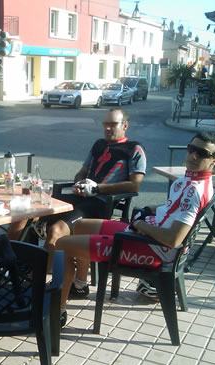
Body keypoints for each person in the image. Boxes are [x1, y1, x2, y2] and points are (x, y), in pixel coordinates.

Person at [56, 131, 215, 326]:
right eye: (191, 149)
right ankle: (80, 284)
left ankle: (57, 311)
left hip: (153, 249)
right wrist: (145, 210)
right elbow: (168, 209)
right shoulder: (189, 180)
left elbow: (173, 239)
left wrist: (139, 223)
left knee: (62, 244)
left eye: (202, 153)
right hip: (146, 236)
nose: (193, 156)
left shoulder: (194, 191)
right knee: (81, 226)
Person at [8, 108, 146, 298]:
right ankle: (12, 266)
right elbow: (82, 171)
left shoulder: (134, 149)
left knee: (55, 231)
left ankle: (36, 279)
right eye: (105, 124)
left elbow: (134, 185)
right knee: (24, 213)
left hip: (99, 203)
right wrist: (79, 182)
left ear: (125, 125)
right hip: (80, 197)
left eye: (112, 124)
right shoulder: (98, 145)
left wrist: (97, 188)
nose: (107, 128)